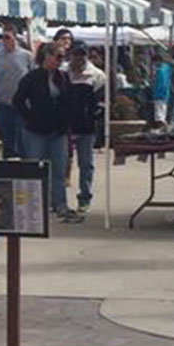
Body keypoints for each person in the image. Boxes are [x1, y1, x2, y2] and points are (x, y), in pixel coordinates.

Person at [13, 41, 67, 213]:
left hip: (58, 131)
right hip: (35, 130)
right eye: (58, 57)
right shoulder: (32, 77)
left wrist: (66, 124)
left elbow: (69, 101)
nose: (60, 61)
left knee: (59, 170)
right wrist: (30, 117)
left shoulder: (63, 77)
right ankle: (35, 205)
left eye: (62, 57)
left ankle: (60, 204)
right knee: (35, 170)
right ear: (47, 56)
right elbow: (18, 100)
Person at [55, 42, 106, 223]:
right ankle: (59, 202)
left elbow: (103, 103)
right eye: (76, 54)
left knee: (86, 164)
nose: (79, 58)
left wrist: (95, 117)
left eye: (82, 54)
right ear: (71, 55)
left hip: (86, 127)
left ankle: (84, 198)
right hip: (64, 126)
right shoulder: (61, 73)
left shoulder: (97, 75)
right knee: (60, 165)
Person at [0, 26, 33, 159]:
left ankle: (24, 170)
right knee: (7, 140)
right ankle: (8, 170)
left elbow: (32, 77)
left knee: (22, 140)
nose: (5, 40)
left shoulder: (27, 56)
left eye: (7, 37)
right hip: (3, 104)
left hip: (22, 105)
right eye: (3, 37)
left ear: (15, 37)